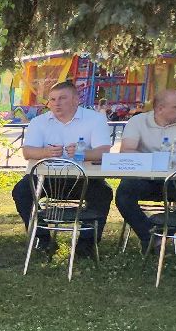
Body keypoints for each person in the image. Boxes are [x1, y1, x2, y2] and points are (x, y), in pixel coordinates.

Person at [12, 80, 115, 256]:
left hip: (84, 179)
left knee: (103, 193)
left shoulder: (95, 119)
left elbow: (103, 152)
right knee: (21, 191)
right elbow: (27, 152)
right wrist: (46, 152)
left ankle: (86, 243)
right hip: (47, 179)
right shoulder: (39, 122)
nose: (56, 103)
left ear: (76, 100)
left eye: (62, 98)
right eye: (52, 99)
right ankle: (42, 239)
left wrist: (83, 153)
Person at [115, 88, 176, 250]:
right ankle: (151, 238)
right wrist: (156, 160)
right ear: (159, 109)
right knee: (123, 196)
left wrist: (175, 158)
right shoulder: (138, 121)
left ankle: (157, 233)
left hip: (175, 177)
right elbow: (126, 150)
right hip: (142, 176)